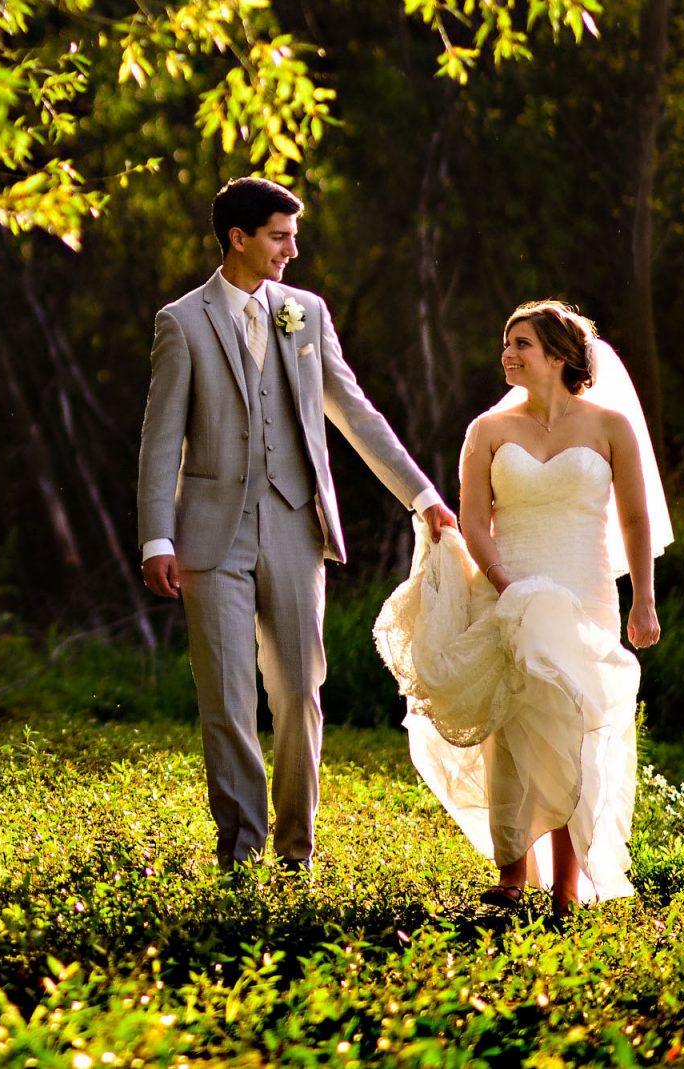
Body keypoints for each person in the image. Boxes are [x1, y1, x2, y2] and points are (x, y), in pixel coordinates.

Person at [137, 176, 458, 870]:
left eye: (293, 236)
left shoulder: (305, 313)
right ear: (239, 238)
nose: (292, 250)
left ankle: (295, 853)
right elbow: (160, 440)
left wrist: (421, 495)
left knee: (299, 693)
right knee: (227, 699)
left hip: (294, 526)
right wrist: (157, 536)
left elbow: (356, 412)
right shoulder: (182, 322)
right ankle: (241, 851)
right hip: (209, 537)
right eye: (280, 236)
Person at [374, 301, 670, 911]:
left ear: (558, 356)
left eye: (521, 344)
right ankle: (513, 873)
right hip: (505, 585)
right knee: (509, 729)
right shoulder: (487, 431)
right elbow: (474, 522)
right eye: (506, 343)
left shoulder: (610, 426)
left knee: (572, 725)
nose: (507, 354)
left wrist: (643, 598)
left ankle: (568, 882)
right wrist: (505, 583)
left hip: (584, 592)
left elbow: (636, 520)